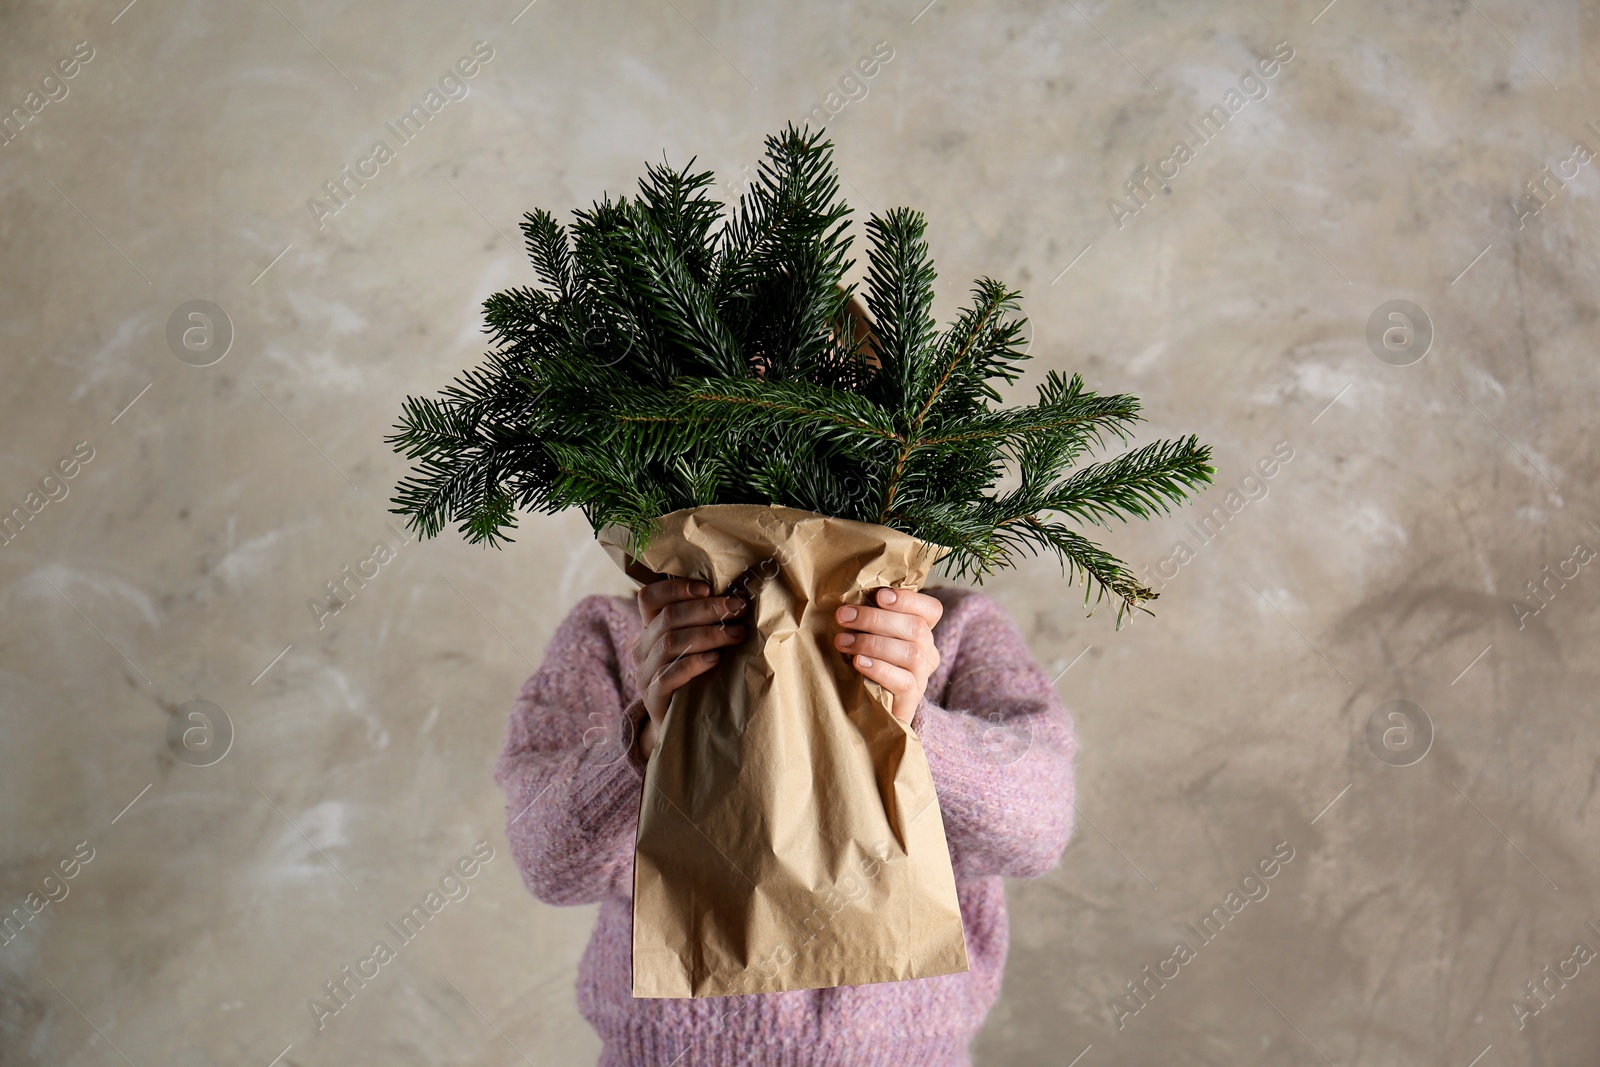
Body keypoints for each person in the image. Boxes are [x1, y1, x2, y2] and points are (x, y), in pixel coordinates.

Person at [494, 574, 1079, 1066]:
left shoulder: (941, 629)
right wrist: (645, 741)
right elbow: (547, 862)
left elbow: (1040, 828)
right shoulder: (630, 634)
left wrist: (915, 728)